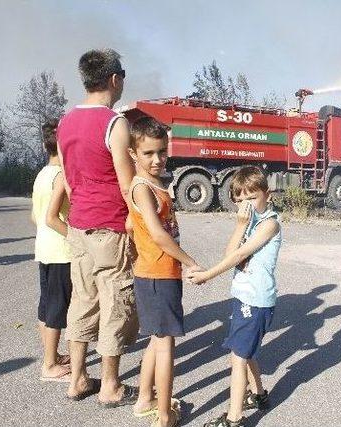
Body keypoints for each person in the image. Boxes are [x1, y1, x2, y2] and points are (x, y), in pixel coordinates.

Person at [56, 48, 138, 406]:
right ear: (114, 79)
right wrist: (139, 220)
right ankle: (110, 385)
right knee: (115, 301)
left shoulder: (64, 122)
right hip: (110, 227)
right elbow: (126, 183)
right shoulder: (114, 123)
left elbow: (70, 183)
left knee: (83, 300)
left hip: (78, 226)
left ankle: (77, 379)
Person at [187, 166, 282, 427]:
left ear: (267, 194)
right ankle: (259, 394)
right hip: (243, 297)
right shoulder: (248, 223)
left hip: (256, 300)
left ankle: (234, 418)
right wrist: (240, 225)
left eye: (251, 198)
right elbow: (231, 252)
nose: (245, 205)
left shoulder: (270, 224)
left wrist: (208, 275)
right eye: (239, 200)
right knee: (246, 351)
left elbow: (239, 256)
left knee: (237, 357)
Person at [128, 116, 201, 427]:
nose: (157, 159)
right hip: (158, 276)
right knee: (167, 344)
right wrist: (190, 262)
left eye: (162, 152)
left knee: (157, 340)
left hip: (158, 273)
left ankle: (145, 398)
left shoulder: (154, 183)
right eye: (148, 154)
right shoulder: (143, 187)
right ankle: (163, 416)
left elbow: (133, 224)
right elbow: (158, 234)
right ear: (133, 154)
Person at [31, 118, 72, 382]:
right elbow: (50, 217)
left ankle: (52, 354)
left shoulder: (42, 174)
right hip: (61, 251)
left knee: (47, 304)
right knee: (58, 307)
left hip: (44, 248)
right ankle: (49, 365)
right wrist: (76, 238)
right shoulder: (60, 176)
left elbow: (34, 217)